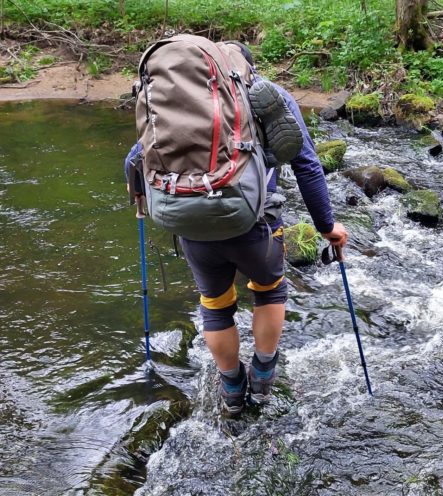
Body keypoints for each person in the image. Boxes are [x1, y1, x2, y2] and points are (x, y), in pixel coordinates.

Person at [124, 41, 348, 414]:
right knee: (270, 290)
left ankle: (231, 390)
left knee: (215, 305)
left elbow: (135, 160)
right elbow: (306, 164)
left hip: (191, 225)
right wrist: (327, 227)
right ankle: (262, 378)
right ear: (246, 69)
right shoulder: (269, 97)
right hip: (254, 223)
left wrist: (143, 205)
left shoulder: (174, 102)